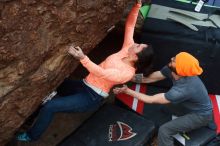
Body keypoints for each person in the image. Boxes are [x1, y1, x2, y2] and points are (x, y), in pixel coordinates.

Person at [17, 0, 154, 142]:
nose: (135, 43)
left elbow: (102, 73)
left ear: (135, 56)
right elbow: (130, 25)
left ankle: (31, 136)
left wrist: (83, 58)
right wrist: (137, 6)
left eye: (138, 46)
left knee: (51, 106)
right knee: (53, 85)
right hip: (83, 84)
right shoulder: (128, 49)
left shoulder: (127, 73)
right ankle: (32, 117)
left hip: (90, 97)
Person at [113, 52, 213, 146]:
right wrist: (128, 76)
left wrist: (127, 91)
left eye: (174, 60)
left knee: (164, 131)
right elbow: (150, 78)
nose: (171, 58)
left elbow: (151, 99)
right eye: (175, 57)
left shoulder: (183, 89)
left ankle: (206, 121)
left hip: (201, 115)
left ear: (180, 69)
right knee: (165, 108)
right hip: (190, 105)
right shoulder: (173, 69)